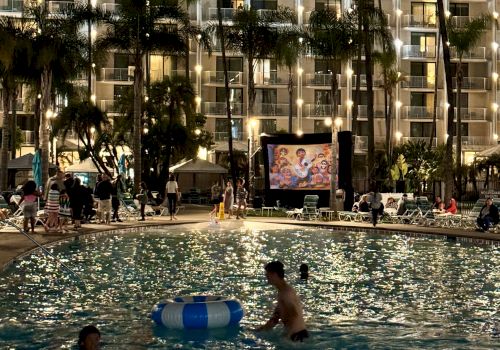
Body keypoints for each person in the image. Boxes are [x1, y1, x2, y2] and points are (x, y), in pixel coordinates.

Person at [256, 261, 308, 342]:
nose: (266, 276)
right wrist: (259, 331)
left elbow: (293, 315)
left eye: (268, 273)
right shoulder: (281, 292)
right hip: (296, 335)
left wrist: (287, 337)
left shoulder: (286, 292)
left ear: (275, 274)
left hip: (297, 336)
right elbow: (275, 318)